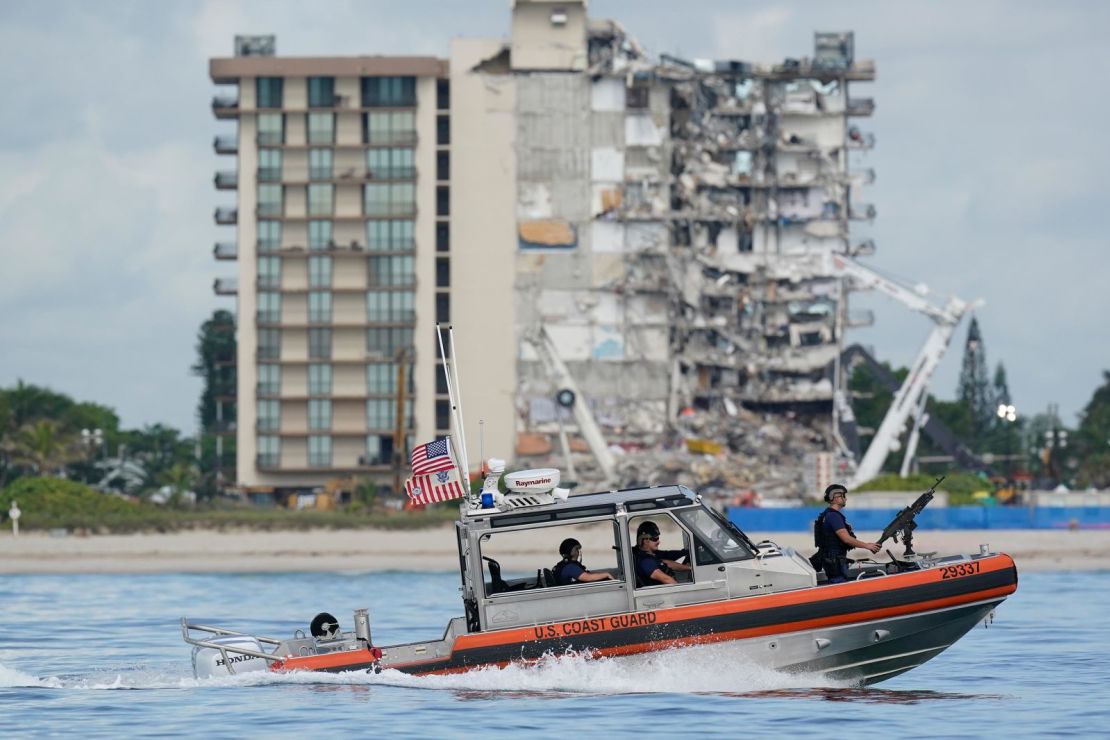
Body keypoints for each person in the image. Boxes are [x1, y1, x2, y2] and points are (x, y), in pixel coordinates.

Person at [813, 484, 881, 583]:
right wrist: (867, 545)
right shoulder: (834, 516)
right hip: (835, 561)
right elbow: (846, 538)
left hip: (831, 559)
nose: (846, 499)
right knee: (839, 585)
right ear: (835, 498)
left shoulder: (827, 514)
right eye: (843, 496)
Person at [632, 521, 692, 587]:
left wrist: (687, 562)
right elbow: (667, 580)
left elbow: (668, 559)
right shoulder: (646, 561)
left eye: (658, 538)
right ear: (645, 541)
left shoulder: (650, 554)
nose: (658, 541)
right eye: (655, 539)